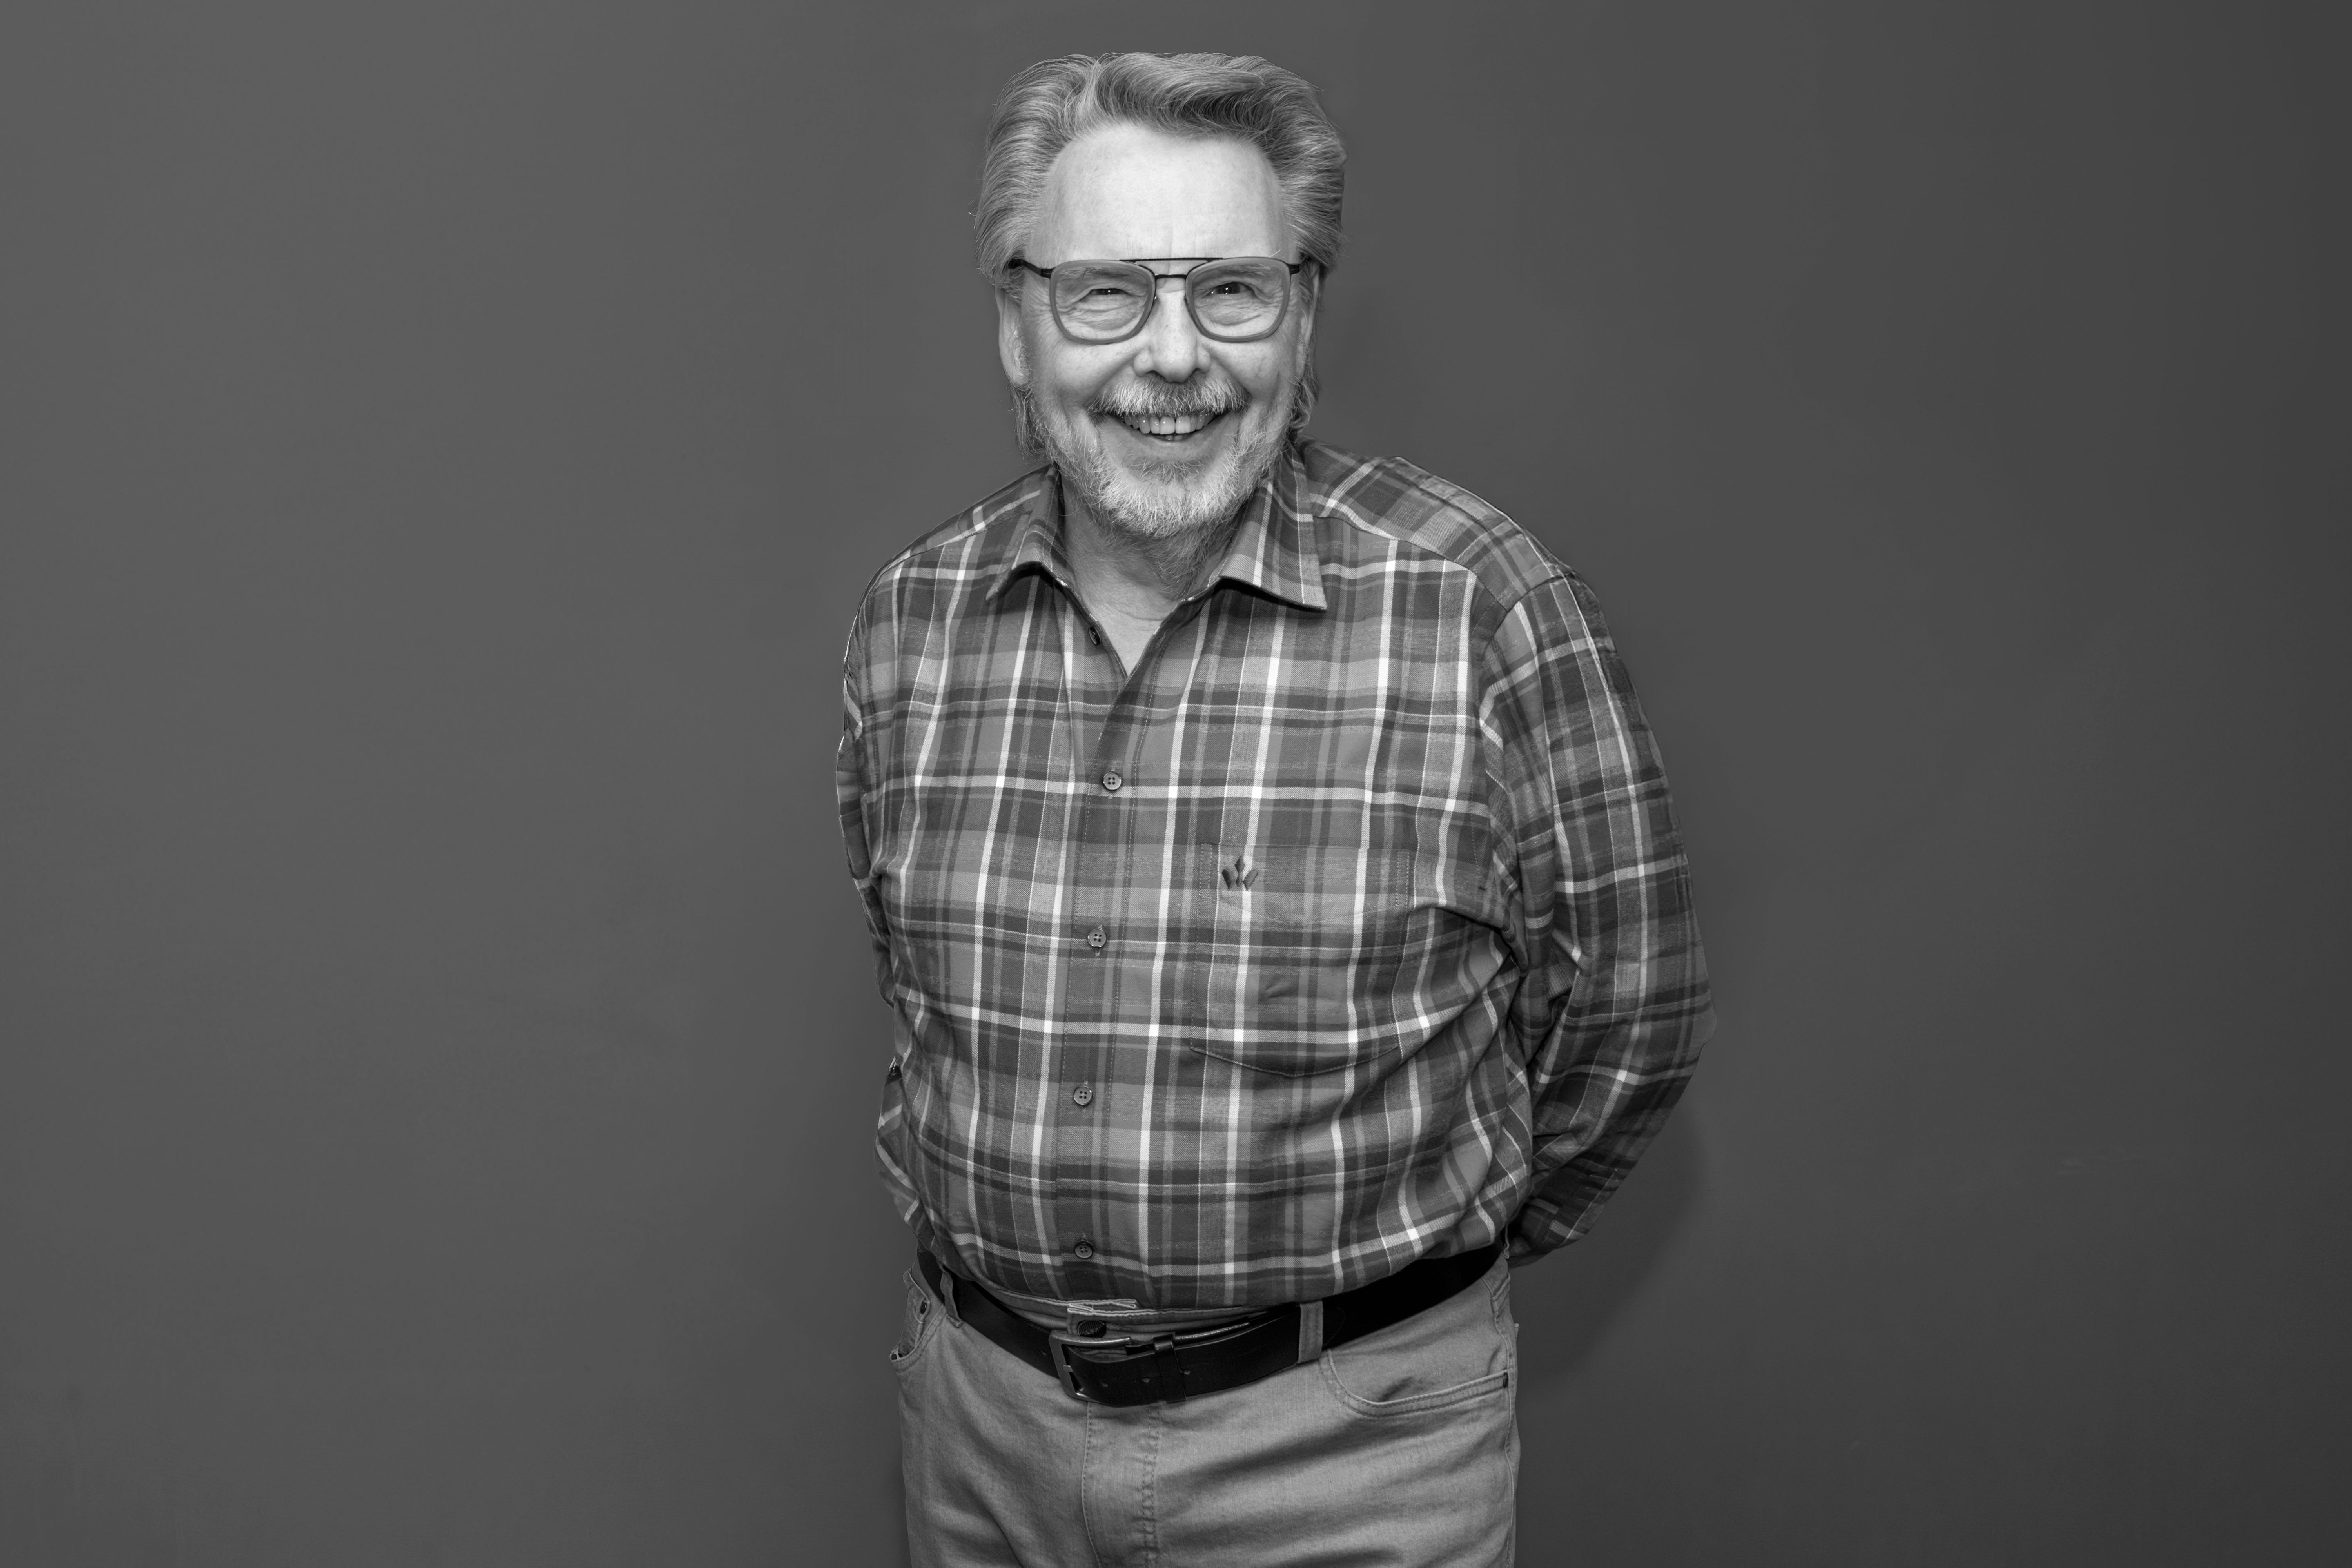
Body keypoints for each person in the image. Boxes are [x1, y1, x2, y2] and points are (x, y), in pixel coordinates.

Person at [836, 50, 1712, 1568]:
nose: (1172, 357)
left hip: (1352, 1457)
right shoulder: (915, 622)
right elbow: (918, 993)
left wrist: (1395, 1305)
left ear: (1301, 321)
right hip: (980, 1440)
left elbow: (1631, 1019)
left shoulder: (1482, 611)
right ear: (1015, 327)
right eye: (1103, 292)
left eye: (1232, 290)